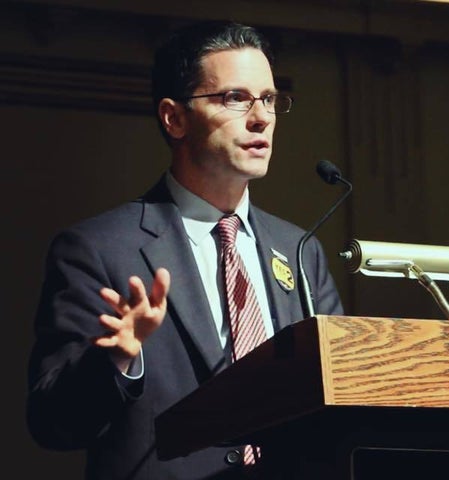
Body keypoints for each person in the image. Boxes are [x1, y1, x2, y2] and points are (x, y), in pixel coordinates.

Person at [26, 20, 344, 480]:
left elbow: (334, 392)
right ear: (174, 118)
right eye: (235, 98)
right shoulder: (98, 249)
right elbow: (52, 425)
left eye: (269, 99)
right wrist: (115, 361)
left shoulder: (299, 249)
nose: (261, 118)